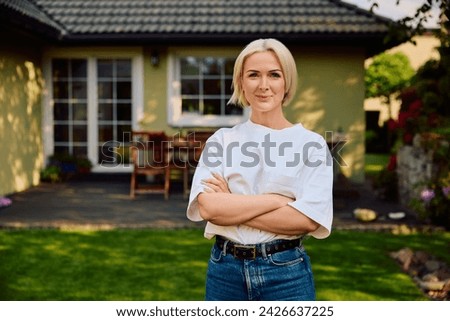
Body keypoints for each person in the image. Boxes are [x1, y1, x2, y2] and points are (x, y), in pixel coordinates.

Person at [186, 38, 333, 301]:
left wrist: (231, 204)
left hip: (286, 274)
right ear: (241, 82)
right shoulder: (221, 141)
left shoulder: (311, 145)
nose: (264, 85)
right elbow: (208, 208)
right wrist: (276, 201)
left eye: (274, 75)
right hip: (225, 272)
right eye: (253, 75)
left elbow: (307, 220)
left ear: (286, 81)